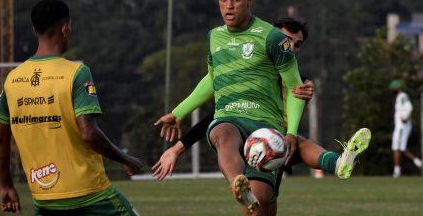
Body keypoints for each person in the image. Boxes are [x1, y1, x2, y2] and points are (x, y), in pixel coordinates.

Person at [155, 0, 305, 215]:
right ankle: (237, 181)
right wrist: (178, 112)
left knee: (262, 204)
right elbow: (212, 80)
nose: (228, 5)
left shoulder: (274, 38)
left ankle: (252, 190)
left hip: (266, 126)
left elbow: (295, 87)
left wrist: (291, 133)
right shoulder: (214, 37)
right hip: (229, 116)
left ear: (249, 0)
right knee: (221, 133)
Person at [153, 18, 371, 183]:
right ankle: (239, 180)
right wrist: (177, 146)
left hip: (272, 147)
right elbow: (215, 112)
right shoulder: (252, 72)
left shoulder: (296, 82)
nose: (292, 49)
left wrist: (293, 126)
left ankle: (338, 162)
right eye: (287, 42)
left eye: (298, 45)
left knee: (269, 203)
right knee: (229, 135)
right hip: (254, 146)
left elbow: (295, 96)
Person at [0, 0, 142, 215]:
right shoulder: (77, 73)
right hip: (91, 195)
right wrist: (125, 159)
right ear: (65, 28)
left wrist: (5, 185)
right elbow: (89, 134)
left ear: (35, 30)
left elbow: (0, 139)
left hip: (44, 199)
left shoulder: (13, 80)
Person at [389, 79, 422, 178]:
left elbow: (409, 107)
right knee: (400, 148)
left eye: (394, 88)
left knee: (397, 148)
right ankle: (419, 163)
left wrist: (404, 117)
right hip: (401, 126)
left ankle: (397, 171)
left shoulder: (402, 96)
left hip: (402, 126)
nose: (392, 90)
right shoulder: (400, 96)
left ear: (398, 88)